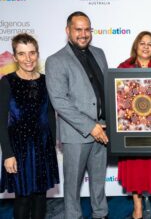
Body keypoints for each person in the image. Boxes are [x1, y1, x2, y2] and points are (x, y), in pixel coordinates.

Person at [45, 11, 109, 219]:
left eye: (87, 29)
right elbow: (60, 102)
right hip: (76, 134)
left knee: (99, 181)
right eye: (78, 29)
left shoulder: (99, 53)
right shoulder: (55, 60)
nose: (83, 34)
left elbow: (105, 89)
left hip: (103, 129)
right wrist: (91, 126)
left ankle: (101, 214)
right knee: (72, 186)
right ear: (68, 31)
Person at [0, 33, 59, 219]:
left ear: (37, 54)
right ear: (15, 57)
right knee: (23, 198)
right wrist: (8, 153)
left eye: (32, 53)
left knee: (41, 197)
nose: (28, 59)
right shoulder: (7, 82)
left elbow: (50, 113)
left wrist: (52, 141)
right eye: (22, 54)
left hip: (42, 147)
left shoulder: (45, 80)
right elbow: (1, 120)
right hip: (19, 149)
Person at [117, 31, 151, 219]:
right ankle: (137, 207)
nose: (146, 47)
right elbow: (118, 99)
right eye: (142, 43)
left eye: (150, 43)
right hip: (132, 129)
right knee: (135, 169)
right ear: (136, 46)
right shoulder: (124, 67)